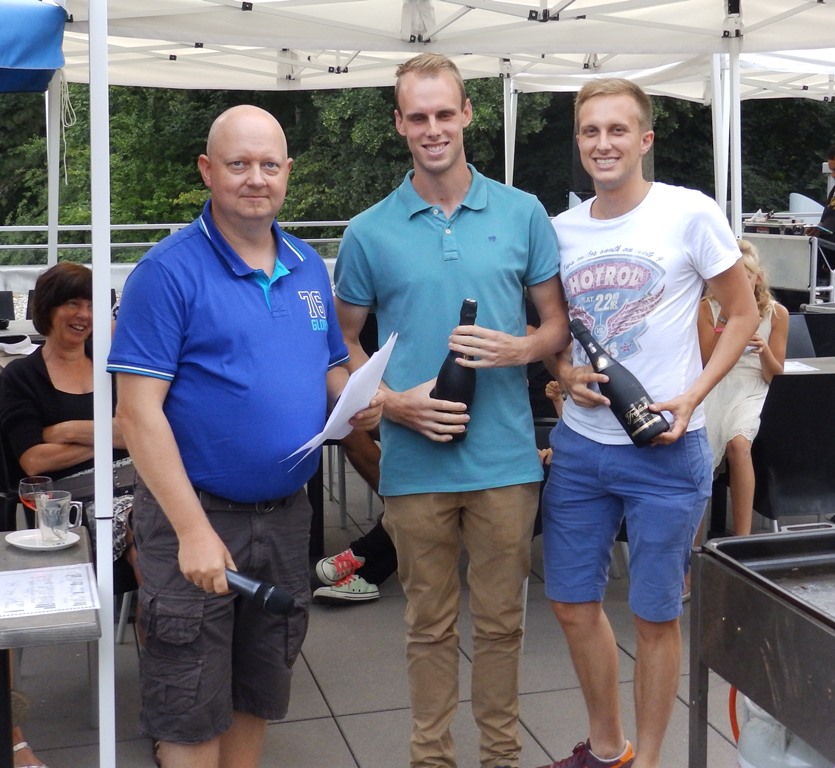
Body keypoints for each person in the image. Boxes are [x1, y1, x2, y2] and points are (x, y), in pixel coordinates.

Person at [106, 105, 383, 768]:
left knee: (260, 688)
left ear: (287, 172)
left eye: (268, 164)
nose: (255, 178)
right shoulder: (166, 273)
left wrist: (358, 400)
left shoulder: (307, 263)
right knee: (190, 705)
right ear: (208, 170)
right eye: (238, 164)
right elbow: (137, 415)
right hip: (197, 518)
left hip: (287, 517)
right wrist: (192, 531)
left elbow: (328, 365)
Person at [335, 53, 569, 768]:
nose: (433, 128)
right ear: (399, 124)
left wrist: (520, 348)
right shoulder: (368, 231)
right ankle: (430, 760)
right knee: (427, 628)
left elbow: (556, 326)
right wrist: (391, 403)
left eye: (444, 113)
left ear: (468, 114)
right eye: (418, 116)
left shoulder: (522, 212)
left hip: (505, 458)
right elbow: (342, 345)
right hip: (414, 464)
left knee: (502, 627)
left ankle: (501, 758)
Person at [539, 78, 759, 768]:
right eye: (590, 131)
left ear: (644, 139)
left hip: (666, 447)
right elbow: (553, 336)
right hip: (580, 449)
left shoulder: (688, 212)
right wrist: (561, 374)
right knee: (571, 604)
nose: (602, 143)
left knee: (655, 615)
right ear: (578, 142)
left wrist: (694, 396)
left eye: (616, 130)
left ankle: (652, 760)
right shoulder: (559, 231)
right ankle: (610, 748)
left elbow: (744, 313)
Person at [698, 239, 788, 536]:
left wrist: (764, 351)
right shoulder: (707, 309)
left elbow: (775, 376)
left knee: (738, 444)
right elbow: (705, 361)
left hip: (753, 386)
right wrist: (724, 322)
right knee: (700, 453)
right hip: (715, 382)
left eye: (744, 276)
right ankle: (691, 545)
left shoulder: (776, 314)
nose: (736, 282)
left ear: (757, 279)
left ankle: (742, 539)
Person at [804, 144, 835, 241]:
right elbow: (824, 222)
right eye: (832, 170)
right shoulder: (834, 191)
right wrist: (815, 230)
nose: (833, 175)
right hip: (823, 247)